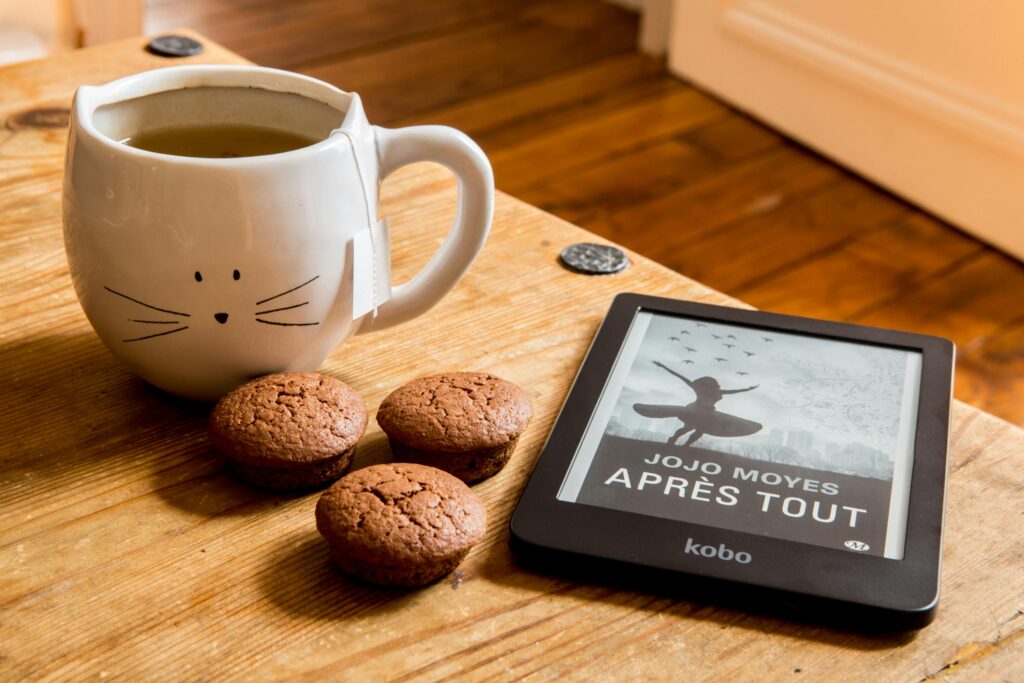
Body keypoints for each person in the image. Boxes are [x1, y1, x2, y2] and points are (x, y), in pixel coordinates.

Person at [634, 361, 762, 447]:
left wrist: (748, 389)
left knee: (699, 429)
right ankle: (673, 439)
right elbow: (680, 376)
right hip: (696, 410)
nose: (718, 387)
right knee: (690, 427)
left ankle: (683, 444)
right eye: (715, 385)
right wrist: (663, 366)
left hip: (709, 413)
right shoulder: (699, 388)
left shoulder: (718, 391)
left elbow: (734, 391)